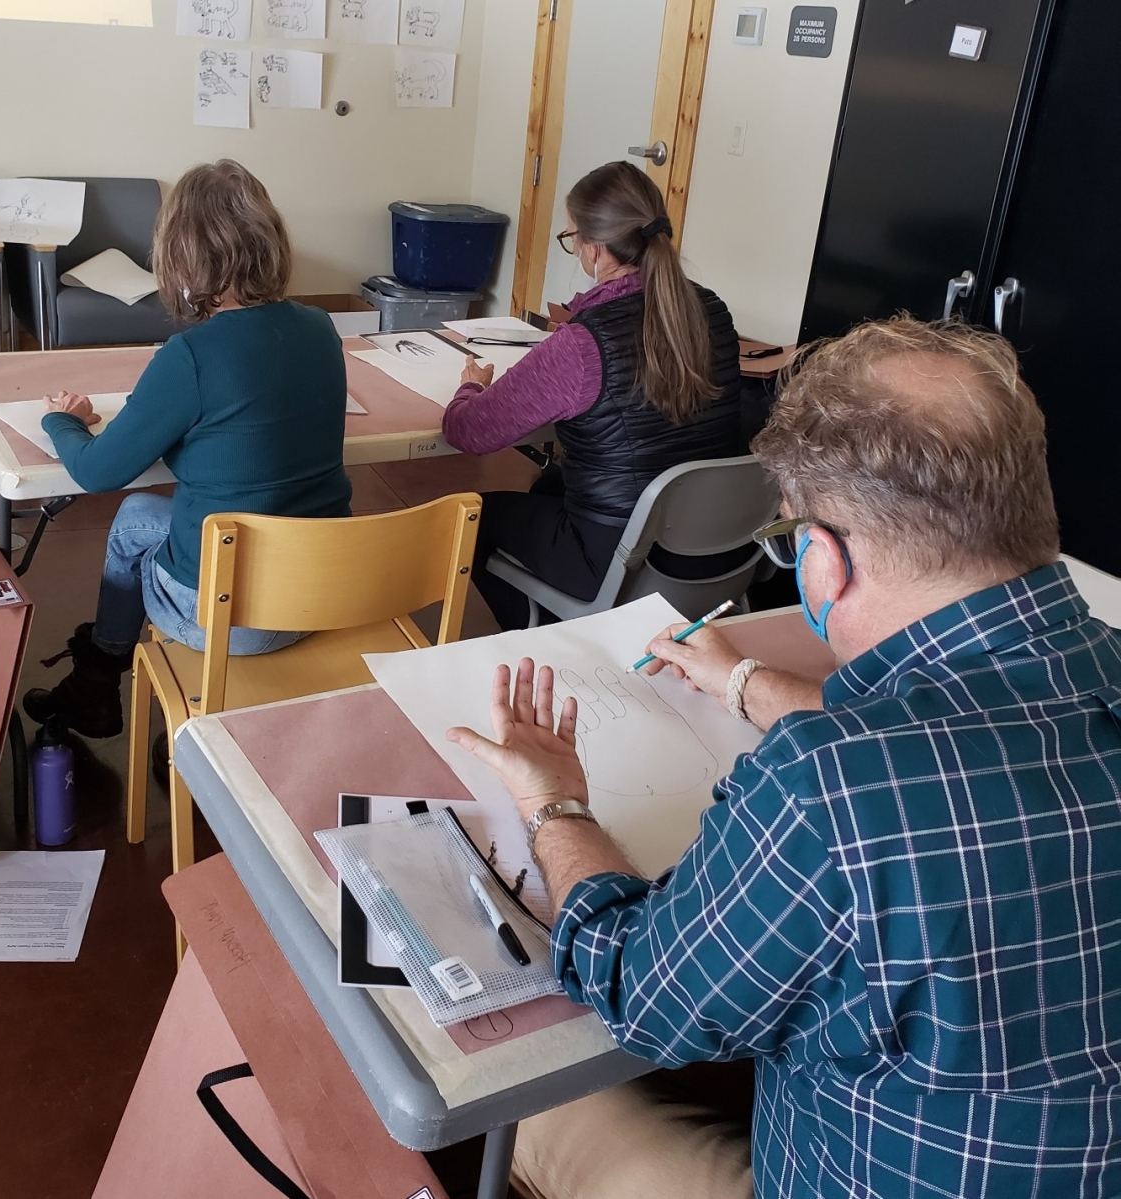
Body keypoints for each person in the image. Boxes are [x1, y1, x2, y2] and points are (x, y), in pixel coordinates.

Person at [447, 317, 1121, 1198]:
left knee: (526, 1103)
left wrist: (556, 804)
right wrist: (744, 684)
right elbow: (969, 716)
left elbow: (640, 993)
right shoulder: (1091, 661)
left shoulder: (830, 784)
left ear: (824, 561)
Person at [23, 160, 351, 739]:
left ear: (180, 255)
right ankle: (102, 678)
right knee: (145, 518)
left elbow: (97, 472)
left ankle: (100, 676)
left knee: (129, 522)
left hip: (231, 617)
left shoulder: (190, 356)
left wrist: (59, 421)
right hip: (318, 591)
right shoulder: (321, 326)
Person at [441, 161, 743, 631]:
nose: (575, 250)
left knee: (476, 517)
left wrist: (472, 386)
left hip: (620, 558)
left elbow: (468, 431)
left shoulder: (584, 344)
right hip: (718, 546)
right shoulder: (710, 309)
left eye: (571, 239)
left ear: (597, 250)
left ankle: (546, 643)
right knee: (547, 487)